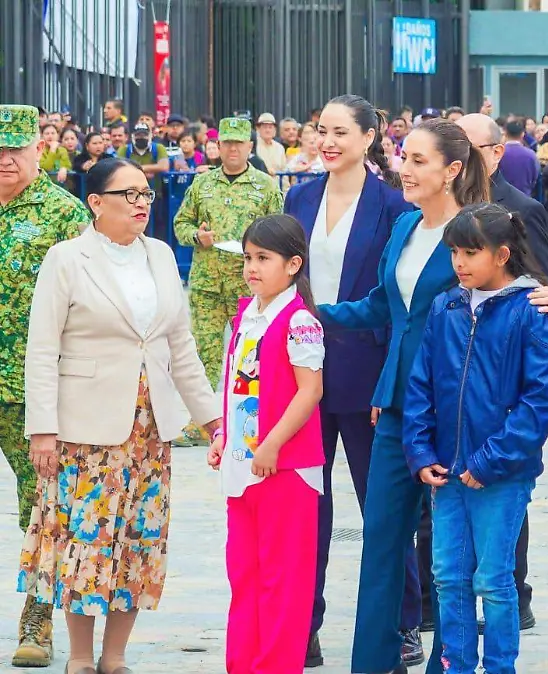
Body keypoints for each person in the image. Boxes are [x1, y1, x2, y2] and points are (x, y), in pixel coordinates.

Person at [319, 118, 548, 674]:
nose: (405, 168)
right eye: (404, 157)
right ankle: (375, 661)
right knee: (382, 540)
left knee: (456, 559)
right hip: (397, 408)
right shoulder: (403, 226)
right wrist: (313, 313)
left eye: (419, 160)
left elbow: (526, 292)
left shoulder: (482, 231)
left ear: (453, 169)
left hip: (461, 415)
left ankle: (451, 663)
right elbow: (384, 307)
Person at [20, 157, 220, 674]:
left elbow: (181, 345)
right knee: (86, 541)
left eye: (146, 195)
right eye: (128, 194)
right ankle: (82, 658)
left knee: (137, 540)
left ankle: (116, 657)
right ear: (96, 202)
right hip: (84, 429)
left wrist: (212, 419)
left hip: (149, 431)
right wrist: (42, 429)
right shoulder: (67, 259)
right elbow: (41, 349)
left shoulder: (158, 256)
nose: (140, 204)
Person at [282, 94, 419, 669]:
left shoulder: (392, 205)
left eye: (341, 131)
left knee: (383, 506)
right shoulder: (300, 195)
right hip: (303, 371)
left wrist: (390, 383)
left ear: (370, 137)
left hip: (367, 373)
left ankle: (403, 621)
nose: (328, 141)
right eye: (322, 130)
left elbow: (395, 298)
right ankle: (303, 623)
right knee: (306, 504)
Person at [404, 203, 548, 674]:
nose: (459, 263)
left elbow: (540, 401)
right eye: (454, 251)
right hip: (445, 470)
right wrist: (419, 450)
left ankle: (500, 666)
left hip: (500, 475)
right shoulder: (445, 306)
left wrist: (490, 461)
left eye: (470, 252)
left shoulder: (532, 310)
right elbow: (420, 385)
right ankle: (454, 665)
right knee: (447, 577)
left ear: (502, 254)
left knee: (494, 581)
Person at [206, 213, 325, 674]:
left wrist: (272, 444)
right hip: (243, 465)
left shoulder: (299, 321)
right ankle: (242, 664)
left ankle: (275, 665)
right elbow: (237, 388)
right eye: (249, 258)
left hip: (286, 469)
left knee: (283, 580)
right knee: (245, 575)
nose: (252, 267)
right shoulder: (246, 314)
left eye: (264, 258)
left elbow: (309, 390)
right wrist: (222, 436)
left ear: (293, 264)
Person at [0, 104, 93, 668]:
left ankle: (37, 621)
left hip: (30, 388)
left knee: (41, 508)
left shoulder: (64, 215)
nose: (5, 161)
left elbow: (86, 300)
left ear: (40, 151)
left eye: (16, 150)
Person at [174, 117, 284, 391]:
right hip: (207, 285)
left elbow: (281, 231)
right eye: (227, 143)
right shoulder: (202, 185)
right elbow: (180, 224)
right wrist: (197, 236)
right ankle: (202, 423)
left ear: (250, 146)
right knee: (203, 356)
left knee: (250, 356)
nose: (232, 149)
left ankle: (248, 419)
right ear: (218, 146)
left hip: (248, 286)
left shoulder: (266, 186)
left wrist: (260, 247)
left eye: (238, 143)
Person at [458, 114, 548, 277]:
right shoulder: (440, 201)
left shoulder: (523, 209)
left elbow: (539, 281)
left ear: (496, 152)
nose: (456, 158)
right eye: (450, 149)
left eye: (466, 149)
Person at [498, 119, 540, 197]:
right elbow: (535, 177)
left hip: (501, 199)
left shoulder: (498, 153)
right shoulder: (531, 154)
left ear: (505, 133)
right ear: (522, 134)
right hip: (524, 198)